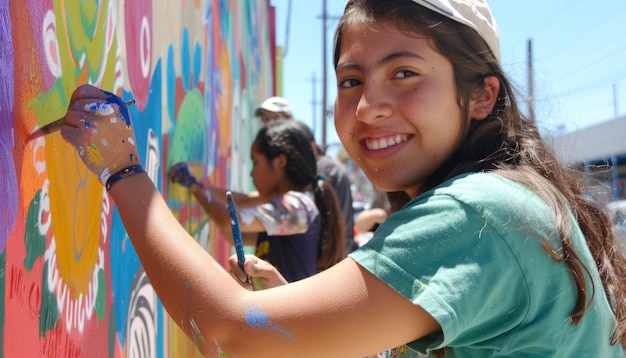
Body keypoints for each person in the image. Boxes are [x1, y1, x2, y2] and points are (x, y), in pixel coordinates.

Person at [58, 0, 626, 356]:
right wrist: (301, 319)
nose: (369, 106)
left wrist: (124, 170)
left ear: (482, 94)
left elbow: (233, 335)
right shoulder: (509, 200)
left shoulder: (477, 213)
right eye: (351, 80)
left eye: (405, 73)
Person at [168, 120, 346, 282]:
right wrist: (200, 187)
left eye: (256, 162)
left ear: (280, 162)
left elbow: (230, 221)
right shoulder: (288, 207)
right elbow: (241, 205)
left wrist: (193, 186)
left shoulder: (296, 207)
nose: (251, 173)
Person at [256, 96, 357, 253]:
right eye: (265, 119)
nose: (269, 124)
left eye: (275, 118)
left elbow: (339, 228)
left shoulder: (326, 171)